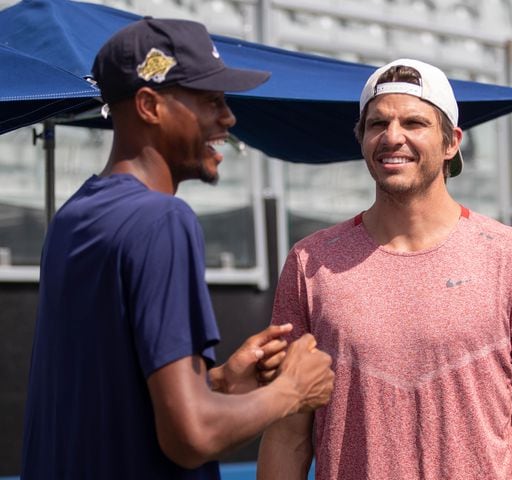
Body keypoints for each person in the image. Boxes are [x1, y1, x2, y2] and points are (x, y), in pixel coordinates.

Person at [20, 18, 334, 480]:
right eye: (211, 101)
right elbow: (190, 438)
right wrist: (292, 390)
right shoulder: (163, 220)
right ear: (149, 105)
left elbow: (110, 397)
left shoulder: (73, 217)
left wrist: (221, 382)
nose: (228, 118)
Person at [257, 58, 512, 479]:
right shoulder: (309, 262)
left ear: (451, 143)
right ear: (361, 140)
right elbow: (288, 435)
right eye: (377, 124)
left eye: (414, 123)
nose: (393, 137)